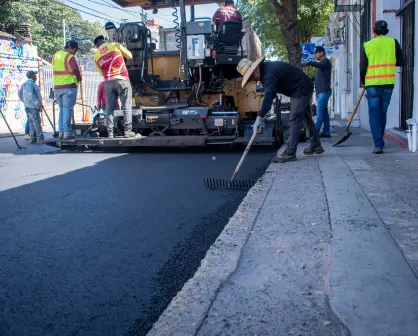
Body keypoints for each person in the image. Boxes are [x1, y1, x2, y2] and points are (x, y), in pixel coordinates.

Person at [237, 57, 324, 163]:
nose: (253, 80)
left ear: (256, 69)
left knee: (295, 119)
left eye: (251, 77)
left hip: (301, 88)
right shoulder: (266, 70)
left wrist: (259, 118)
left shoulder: (268, 73)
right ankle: (316, 143)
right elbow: (271, 94)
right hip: (301, 87)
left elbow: (269, 97)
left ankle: (289, 153)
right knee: (306, 117)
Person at [360, 20, 404, 154]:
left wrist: (363, 81)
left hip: (372, 84)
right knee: (382, 113)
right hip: (388, 83)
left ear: (374, 31)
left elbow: (363, 66)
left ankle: (378, 144)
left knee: (374, 114)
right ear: (386, 31)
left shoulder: (367, 45)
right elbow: (401, 61)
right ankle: (380, 140)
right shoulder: (393, 43)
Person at [93, 35, 135, 138]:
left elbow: (102, 73)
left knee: (109, 109)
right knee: (126, 107)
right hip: (122, 80)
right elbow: (130, 56)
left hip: (108, 82)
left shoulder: (96, 56)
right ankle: (128, 132)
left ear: (97, 46)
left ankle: (110, 133)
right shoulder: (115, 45)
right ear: (104, 41)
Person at [52, 40, 82, 140]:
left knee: (62, 110)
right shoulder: (69, 57)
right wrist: (79, 78)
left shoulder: (56, 55)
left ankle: (61, 132)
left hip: (57, 87)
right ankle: (67, 133)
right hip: (69, 86)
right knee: (68, 109)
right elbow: (75, 70)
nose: (75, 52)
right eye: (75, 50)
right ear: (70, 48)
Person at [304, 46, 332, 138]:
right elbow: (317, 78)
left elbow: (319, 65)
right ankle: (326, 132)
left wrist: (310, 62)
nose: (315, 55)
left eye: (316, 53)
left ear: (321, 53)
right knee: (324, 113)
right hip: (321, 92)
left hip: (324, 91)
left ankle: (314, 134)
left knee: (319, 114)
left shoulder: (325, 61)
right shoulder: (321, 64)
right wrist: (309, 78)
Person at [18, 70, 44, 144]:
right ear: (32, 76)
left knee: (31, 122)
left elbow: (21, 94)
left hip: (29, 106)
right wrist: (37, 103)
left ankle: (33, 138)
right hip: (33, 106)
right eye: (35, 75)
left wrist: (25, 102)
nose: (36, 76)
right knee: (36, 122)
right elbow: (30, 95)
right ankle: (40, 138)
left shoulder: (26, 84)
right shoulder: (30, 84)